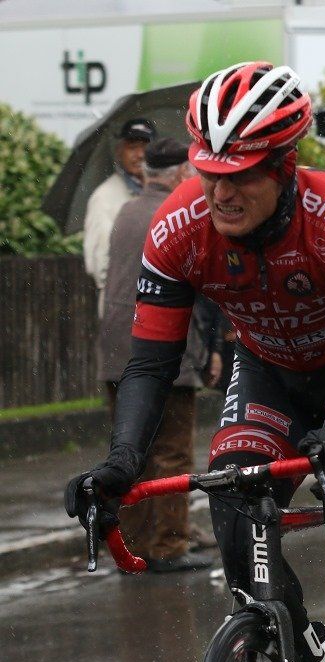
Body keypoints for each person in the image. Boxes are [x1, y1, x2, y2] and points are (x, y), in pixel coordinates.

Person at [65, 62, 325, 662]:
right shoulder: (177, 227)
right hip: (268, 375)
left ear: (284, 167)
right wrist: (122, 461)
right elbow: (150, 364)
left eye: (241, 176)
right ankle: (304, 646)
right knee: (234, 521)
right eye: (209, 173)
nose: (221, 194)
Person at [96, 137, 215, 573]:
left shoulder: (127, 210)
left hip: (116, 349)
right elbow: (189, 295)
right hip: (160, 349)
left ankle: (133, 545)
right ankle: (168, 544)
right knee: (172, 452)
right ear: (181, 173)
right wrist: (205, 350)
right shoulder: (175, 216)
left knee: (129, 453)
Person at [83, 118, 156, 315]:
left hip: (156, 305)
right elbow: (99, 264)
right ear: (119, 151)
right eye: (132, 147)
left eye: (145, 147)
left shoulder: (163, 193)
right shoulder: (104, 197)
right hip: (121, 306)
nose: (139, 154)